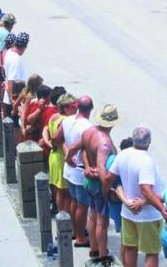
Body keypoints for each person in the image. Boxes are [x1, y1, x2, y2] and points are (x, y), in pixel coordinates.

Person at [109, 125, 167, 267]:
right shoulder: (146, 161)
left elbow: (110, 177)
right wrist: (161, 208)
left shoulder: (123, 154)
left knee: (130, 247)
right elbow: (146, 189)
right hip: (147, 216)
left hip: (128, 212)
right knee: (152, 252)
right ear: (149, 142)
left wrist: (124, 200)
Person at [81, 104, 121, 264]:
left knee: (92, 215)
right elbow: (102, 170)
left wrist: (86, 167)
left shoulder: (89, 132)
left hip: (89, 182)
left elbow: (82, 150)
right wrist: (107, 190)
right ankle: (103, 255)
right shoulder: (104, 142)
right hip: (98, 184)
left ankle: (94, 248)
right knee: (102, 221)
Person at [64, 96, 94, 248]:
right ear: (90, 109)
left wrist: (66, 155)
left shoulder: (67, 120)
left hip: (69, 169)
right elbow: (83, 149)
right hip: (79, 169)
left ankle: (75, 231)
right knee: (82, 206)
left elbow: (58, 138)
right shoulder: (87, 127)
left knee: (74, 202)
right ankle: (81, 237)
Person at [43, 93, 75, 215]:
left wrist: (48, 143)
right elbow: (59, 139)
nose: (76, 108)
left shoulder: (54, 117)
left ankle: (60, 216)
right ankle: (66, 219)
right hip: (62, 158)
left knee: (58, 191)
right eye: (73, 106)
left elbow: (45, 129)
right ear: (66, 107)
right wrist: (54, 142)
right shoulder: (65, 121)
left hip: (54, 156)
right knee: (65, 193)